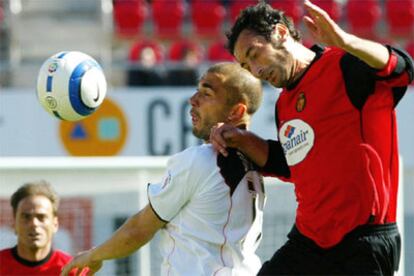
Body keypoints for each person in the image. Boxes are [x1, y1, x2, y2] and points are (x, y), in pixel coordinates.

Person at [210, 1, 414, 275]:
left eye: (254, 54)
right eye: (247, 66)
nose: (256, 71)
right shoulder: (284, 104)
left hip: (363, 242)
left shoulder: (345, 65)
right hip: (311, 241)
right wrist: (241, 139)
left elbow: (403, 67)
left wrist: (346, 41)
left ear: (281, 33)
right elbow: (293, 163)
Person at [62, 62, 265, 276]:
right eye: (197, 90)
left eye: (206, 93)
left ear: (237, 111)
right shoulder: (255, 166)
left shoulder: (201, 160)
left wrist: (93, 256)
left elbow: (139, 229)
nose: (193, 99)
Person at [0, 181, 78, 275]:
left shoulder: (73, 270)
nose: (34, 224)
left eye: (41, 217)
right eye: (26, 217)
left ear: (55, 224)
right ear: (14, 223)